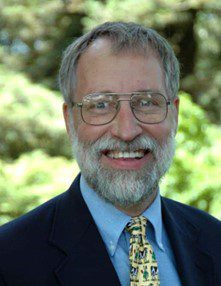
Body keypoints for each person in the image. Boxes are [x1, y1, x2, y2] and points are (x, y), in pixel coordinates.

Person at [0, 21, 220, 286]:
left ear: (174, 115)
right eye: (101, 105)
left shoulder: (214, 240)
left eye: (147, 102)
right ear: (70, 121)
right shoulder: (9, 260)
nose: (126, 131)